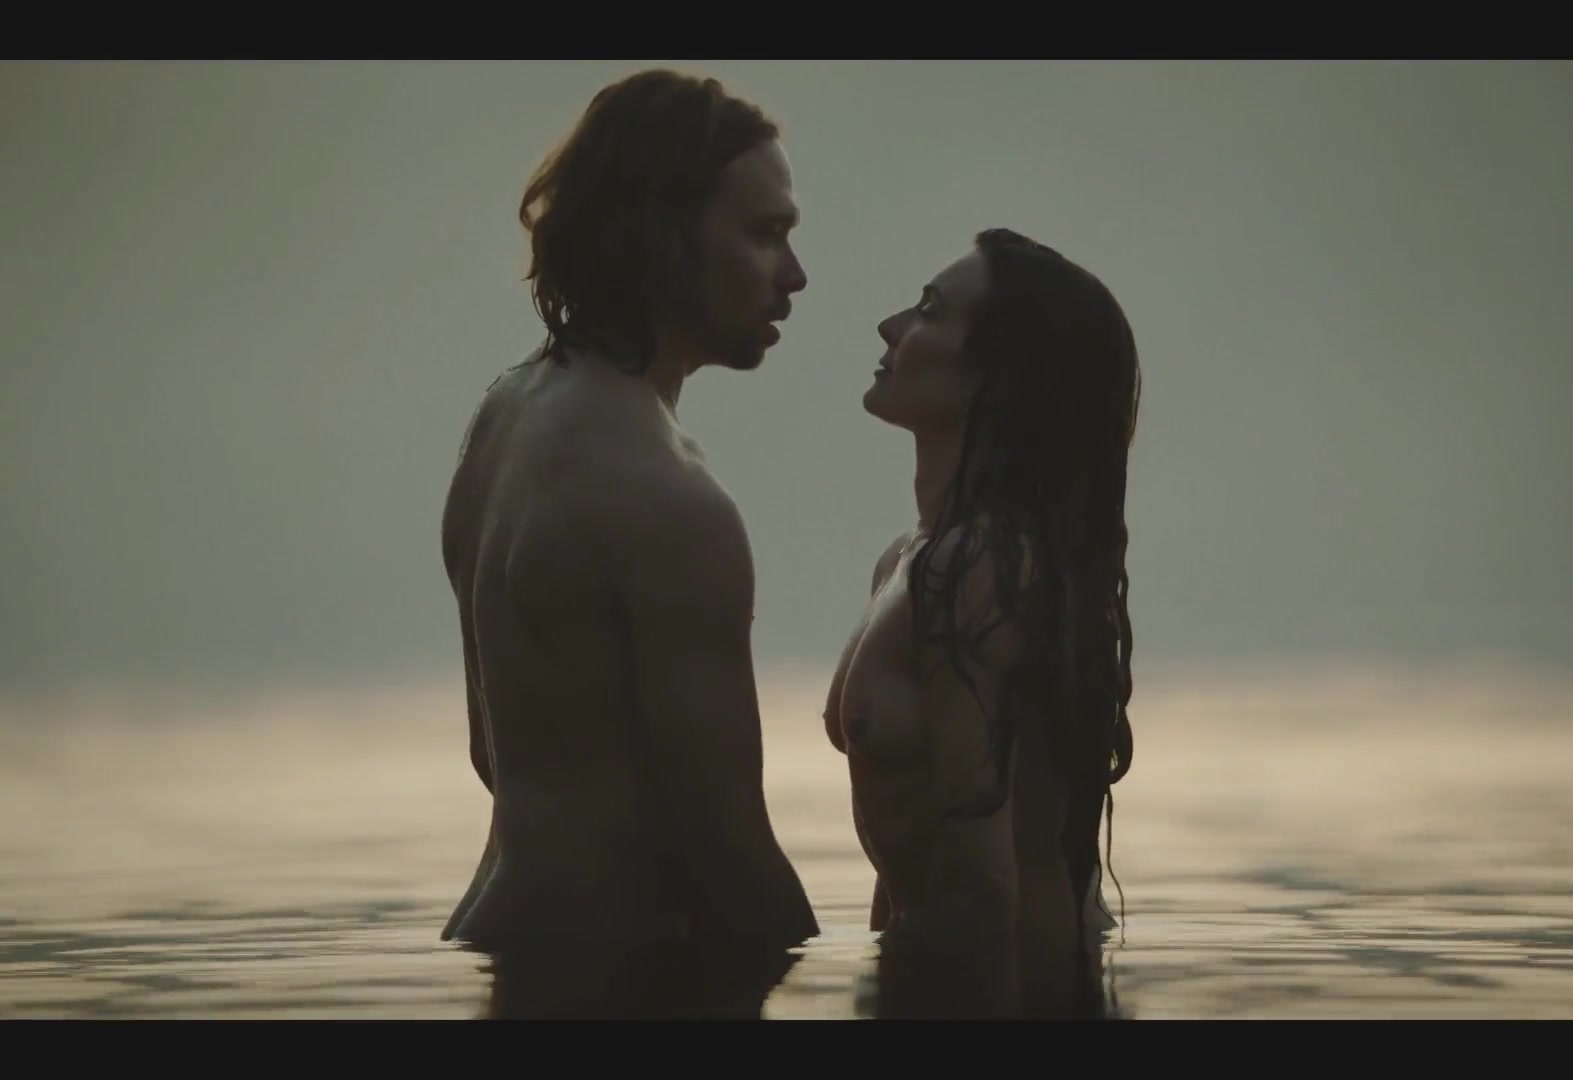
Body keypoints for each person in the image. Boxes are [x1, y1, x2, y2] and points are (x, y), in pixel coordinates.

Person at [437, 68, 817, 1017]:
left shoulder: (506, 415)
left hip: (503, 948)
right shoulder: (669, 499)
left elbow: (496, 754)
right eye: (765, 234)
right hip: (610, 974)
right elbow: (731, 853)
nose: (794, 276)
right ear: (661, 232)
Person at [823, 227, 1140, 1019]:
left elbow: (983, 886)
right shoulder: (913, 560)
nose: (891, 327)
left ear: (998, 378)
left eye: (929, 311)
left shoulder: (977, 570)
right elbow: (910, 869)